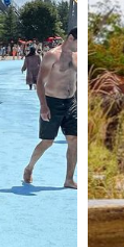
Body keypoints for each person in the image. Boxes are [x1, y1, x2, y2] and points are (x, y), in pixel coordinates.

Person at [23, 28, 78, 188]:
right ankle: (29, 167)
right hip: (52, 102)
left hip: (71, 102)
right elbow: (40, 82)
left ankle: (69, 179)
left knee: (74, 140)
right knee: (47, 141)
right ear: (71, 38)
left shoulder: (78, 56)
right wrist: (43, 106)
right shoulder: (52, 55)